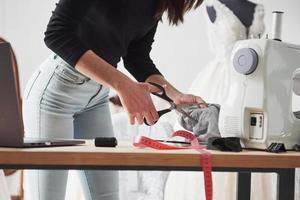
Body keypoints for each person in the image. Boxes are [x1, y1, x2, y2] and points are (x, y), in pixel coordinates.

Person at [22, 0, 207, 200]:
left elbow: (137, 57)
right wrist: (123, 85)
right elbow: (56, 34)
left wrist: (175, 95)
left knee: (106, 197)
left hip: (96, 98)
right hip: (54, 96)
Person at [164, 0, 267, 200]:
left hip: (254, 80)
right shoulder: (214, 6)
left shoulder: (257, 9)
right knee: (216, 133)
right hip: (221, 81)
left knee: (254, 139)